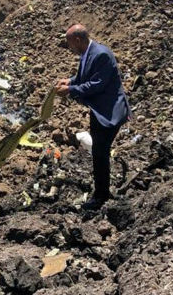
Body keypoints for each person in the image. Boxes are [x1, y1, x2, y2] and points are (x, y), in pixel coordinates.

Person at [55, 24, 130, 209]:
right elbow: (85, 76)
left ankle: (101, 196)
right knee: (99, 152)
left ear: (78, 40)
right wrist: (70, 81)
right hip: (99, 111)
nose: (70, 47)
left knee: (100, 152)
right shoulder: (89, 52)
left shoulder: (101, 54)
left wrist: (70, 90)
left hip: (109, 112)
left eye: (70, 43)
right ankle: (101, 192)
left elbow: (96, 84)